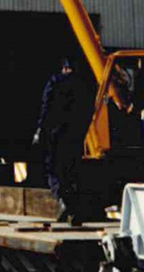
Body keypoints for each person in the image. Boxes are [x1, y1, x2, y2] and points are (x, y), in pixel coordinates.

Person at [32, 58, 93, 223]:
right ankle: (75, 211)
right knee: (72, 169)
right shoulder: (84, 85)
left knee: (54, 168)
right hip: (76, 134)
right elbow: (89, 109)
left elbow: (46, 107)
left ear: (64, 68)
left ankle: (64, 202)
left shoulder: (56, 82)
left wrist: (40, 130)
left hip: (56, 132)